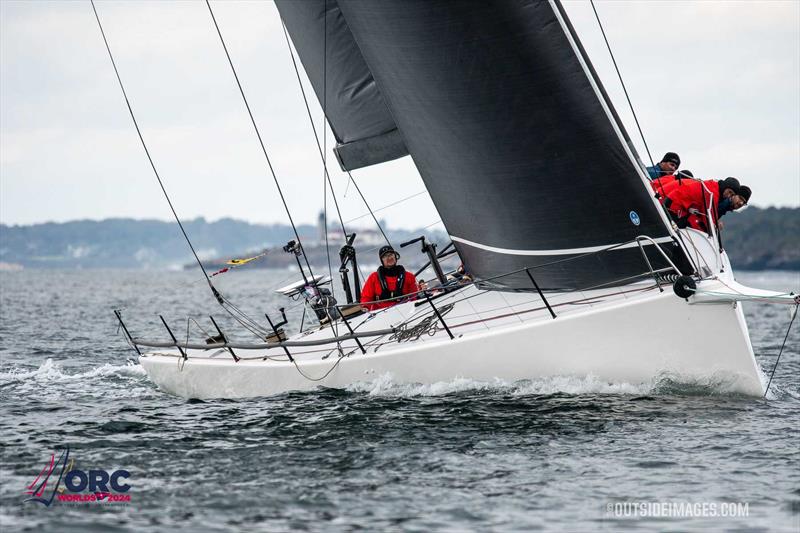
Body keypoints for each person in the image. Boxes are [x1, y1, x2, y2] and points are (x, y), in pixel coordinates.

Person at [663, 177, 747, 233]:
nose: (729, 196)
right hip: (675, 204)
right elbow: (709, 217)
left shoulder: (715, 187)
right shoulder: (713, 193)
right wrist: (714, 228)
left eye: (731, 194)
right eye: (729, 192)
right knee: (672, 232)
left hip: (679, 204)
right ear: (725, 187)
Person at [360, 245, 419, 311]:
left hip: (404, 310)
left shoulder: (409, 276)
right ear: (382, 260)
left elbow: (414, 297)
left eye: (391, 255)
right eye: (385, 256)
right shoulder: (373, 277)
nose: (389, 258)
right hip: (380, 313)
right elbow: (366, 297)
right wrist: (365, 307)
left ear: (395, 256)